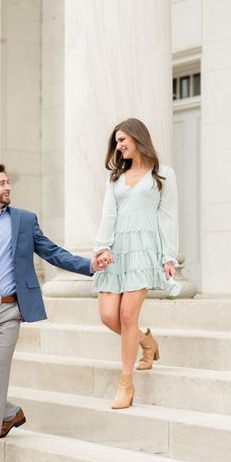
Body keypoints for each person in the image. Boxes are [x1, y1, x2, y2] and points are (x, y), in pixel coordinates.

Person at [0, 164, 107, 462]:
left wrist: (89, 265)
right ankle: (8, 413)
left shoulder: (23, 220)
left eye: (8, 182)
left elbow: (51, 252)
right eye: (2, 183)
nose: (8, 187)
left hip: (7, 313)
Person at [93, 118, 181, 409]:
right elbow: (108, 215)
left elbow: (167, 218)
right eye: (116, 142)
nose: (118, 146)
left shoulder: (163, 175)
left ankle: (126, 384)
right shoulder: (115, 178)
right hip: (117, 250)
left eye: (121, 140)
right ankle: (146, 341)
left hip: (144, 249)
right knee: (108, 315)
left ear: (137, 137)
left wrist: (169, 257)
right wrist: (101, 247)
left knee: (128, 316)